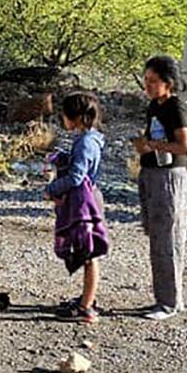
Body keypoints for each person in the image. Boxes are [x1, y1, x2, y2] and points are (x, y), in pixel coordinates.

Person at [132, 55, 187, 321]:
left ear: (168, 83)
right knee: (157, 235)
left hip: (169, 176)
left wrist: (154, 146)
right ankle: (165, 298)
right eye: (146, 80)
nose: (148, 85)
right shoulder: (154, 107)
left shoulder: (175, 107)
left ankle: (169, 302)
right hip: (152, 173)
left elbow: (185, 147)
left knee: (168, 236)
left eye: (153, 81)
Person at [45, 92, 108, 324]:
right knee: (87, 252)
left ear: (76, 117)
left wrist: (52, 189)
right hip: (89, 198)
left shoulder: (84, 143)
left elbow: (76, 177)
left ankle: (86, 307)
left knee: (88, 254)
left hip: (84, 204)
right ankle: (86, 299)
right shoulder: (90, 139)